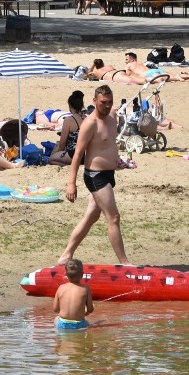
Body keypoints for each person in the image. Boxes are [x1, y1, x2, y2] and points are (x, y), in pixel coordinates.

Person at [60, 85, 131, 266]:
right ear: (94, 101)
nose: (107, 106)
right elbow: (77, 155)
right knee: (113, 217)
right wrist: (71, 183)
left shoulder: (112, 118)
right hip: (95, 176)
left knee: (91, 217)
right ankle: (124, 262)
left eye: (110, 102)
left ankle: (66, 255)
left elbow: (109, 145)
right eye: (103, 103)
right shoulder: (90, 123)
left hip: (109, 174)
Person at [53, 258, 94, 329]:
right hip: (79, 324)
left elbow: (55, 309)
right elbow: (90, 309)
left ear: (66, 274)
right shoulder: (85, 288)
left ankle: (60, 339)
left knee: (56, 319)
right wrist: (86, 311)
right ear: (82, 274)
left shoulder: (61, 288)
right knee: (87, 323)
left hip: (63, 324)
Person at [49, 91, 86, 167]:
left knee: (51, 159)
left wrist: (59, 152)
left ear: (70, 106)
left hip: (74, 153)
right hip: (86, 154)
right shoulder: (86, 118)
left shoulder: (69, 120)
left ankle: (71, 165)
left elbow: (62, 142)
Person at [124, 52, 189, 83]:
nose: (125, 61)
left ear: (132, 59)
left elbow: (128, 75)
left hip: (148, 73)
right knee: (171, 76)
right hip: (154, 70)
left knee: (160, 79)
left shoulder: (128, 65)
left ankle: (177, 77)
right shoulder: (139, 62)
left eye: (127, 59)